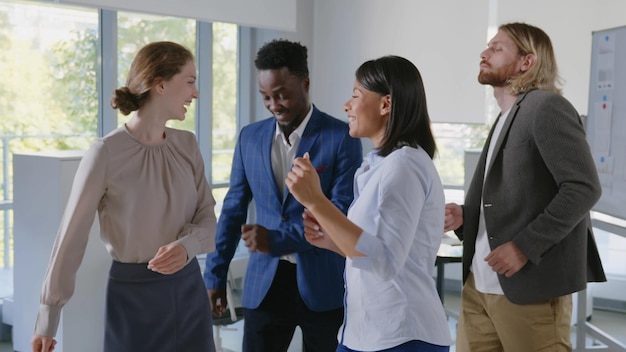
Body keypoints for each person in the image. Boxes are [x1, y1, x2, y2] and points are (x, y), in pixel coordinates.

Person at [31, 41, 217, 352]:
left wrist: (187, 247)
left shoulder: (188, 144)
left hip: (189, 291)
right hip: (134, 298)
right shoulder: (105, 152)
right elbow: (70, 238)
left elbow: (208, 216)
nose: (195, 93)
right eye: (190, 81)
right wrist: (47, 317)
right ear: (160, 84)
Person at [444, 22, 607, 352]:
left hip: (530, 289)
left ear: (527, 62)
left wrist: (524, 246)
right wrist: (466, 217)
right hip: (479, 287)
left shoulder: (547, 108)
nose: (484, 53)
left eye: (497, 48)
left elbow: (583, 188)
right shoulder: (505, 116)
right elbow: (516, 194)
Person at [203, 39, 362, 352]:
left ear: (305, 83)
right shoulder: (249, 137)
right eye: (265, 96)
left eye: (281, 94)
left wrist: (275, 239)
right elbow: (234, 208)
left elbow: (339, 212)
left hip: (323, 285)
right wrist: (215, 274)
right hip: (265, 284)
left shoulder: (342, 138)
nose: (273, 104)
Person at [286, 55, 452, 352]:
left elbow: (385, 261)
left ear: (386, 104)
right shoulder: (381, 164)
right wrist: (333, 240)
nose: (346, 105)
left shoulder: (404, 166)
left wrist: (316, 201)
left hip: (403, 336)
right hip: (364, 334)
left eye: (355, 95)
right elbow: (376, 251)